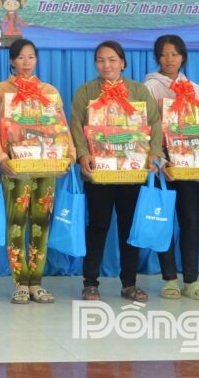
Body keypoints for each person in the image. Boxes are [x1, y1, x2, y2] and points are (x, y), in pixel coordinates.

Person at [70, 40, 161, 302]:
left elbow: (155, 122)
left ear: (122, 62)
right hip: (98, 173)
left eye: (112, 59)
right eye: (100, 60)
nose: (106, 65)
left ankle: (129, 284)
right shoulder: (86, 91)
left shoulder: (138, 90)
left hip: (132, 173)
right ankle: (90, 282)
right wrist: (83, 154)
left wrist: (153, 154)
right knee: (97, 226)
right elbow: (76, 124)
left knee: (129, 228)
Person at [0, 38, 74, 304]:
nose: (26, 62)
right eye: (21, 57)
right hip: (15, 167)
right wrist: (1, 156)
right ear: (11, 61)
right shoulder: (0, 90)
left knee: (41, 224)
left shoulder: (49, 91)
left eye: (31, 57)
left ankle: (36, 283)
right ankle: (20, 283)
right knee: (16, 224)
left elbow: (61, 125)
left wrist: (70, 154)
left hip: (46, 167)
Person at [143, 34, 199, 301]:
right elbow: (145, 129)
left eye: (174, 54)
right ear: (157, 58)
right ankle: (169, 278)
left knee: (191, 221)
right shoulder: (150, 87)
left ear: (183, 57)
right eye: (163, 54)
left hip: (190, 166)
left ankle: (192, 280)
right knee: (163, 222)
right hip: (162, 168)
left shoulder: (194, 88)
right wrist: (160, 161)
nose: (169, 59)